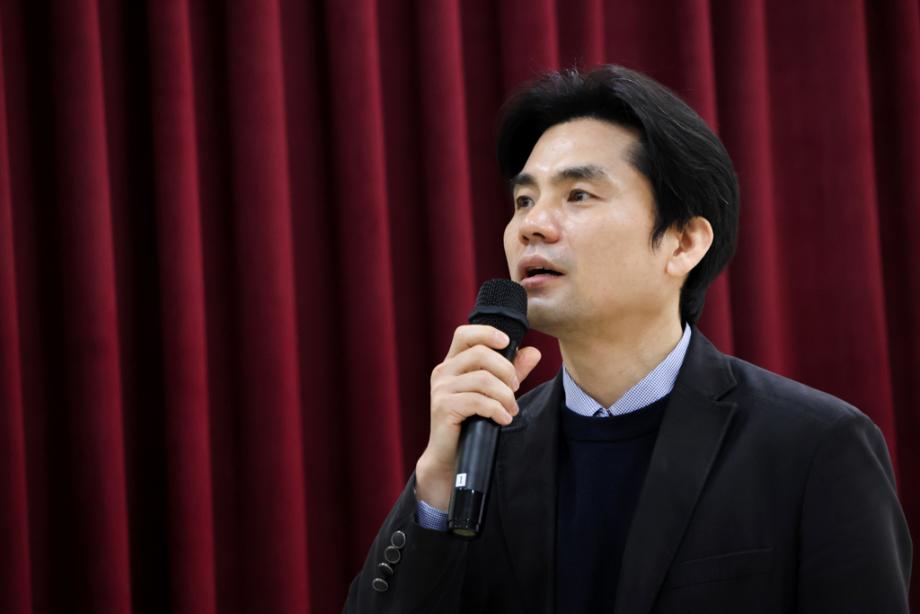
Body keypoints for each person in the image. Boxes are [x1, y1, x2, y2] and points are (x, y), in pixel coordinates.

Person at [343, 65, 912, 613]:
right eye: (524, 200)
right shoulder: (486, 453)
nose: (531, 225)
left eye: (578, 194)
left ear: (683, 243)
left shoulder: (814, 447)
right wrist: (434, 489)